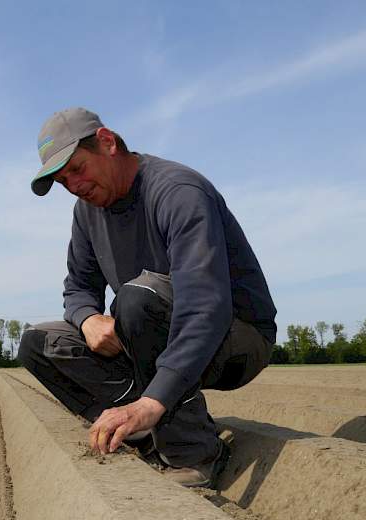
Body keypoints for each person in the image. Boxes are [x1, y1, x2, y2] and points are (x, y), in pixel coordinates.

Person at [18, 107, 277, 488]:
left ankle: (196, 451)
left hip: (234, 337)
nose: (73, 185)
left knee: (136, 299)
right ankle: (143, 434)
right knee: (38, 344)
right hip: (149, 326)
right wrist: (88, 319)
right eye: (61, 180)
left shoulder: (178, 191)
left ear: (107, 143)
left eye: (77, 168)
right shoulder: (87, 212)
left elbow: (205, 306)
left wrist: (152, 401)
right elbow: (77, 288)